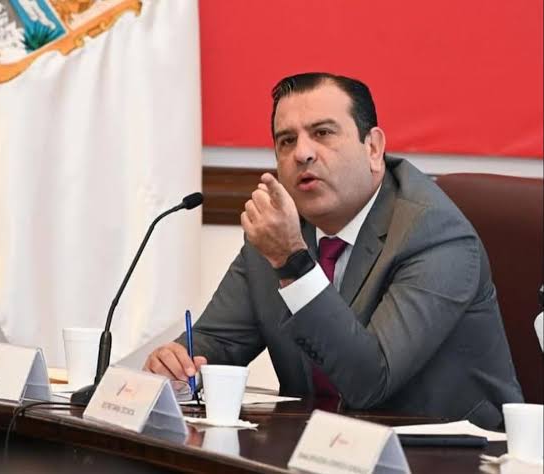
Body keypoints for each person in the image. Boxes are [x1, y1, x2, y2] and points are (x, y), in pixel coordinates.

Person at [143, 72, 523, 428]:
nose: (302, 153)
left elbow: (371, 382)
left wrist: (293, 263)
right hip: (320, 448)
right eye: (286, 141)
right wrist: (178, 363)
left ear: (373, 148)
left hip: (449, 454)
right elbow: (219, 343)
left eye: (322, 133)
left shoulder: (435, 234)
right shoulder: (280, 231)